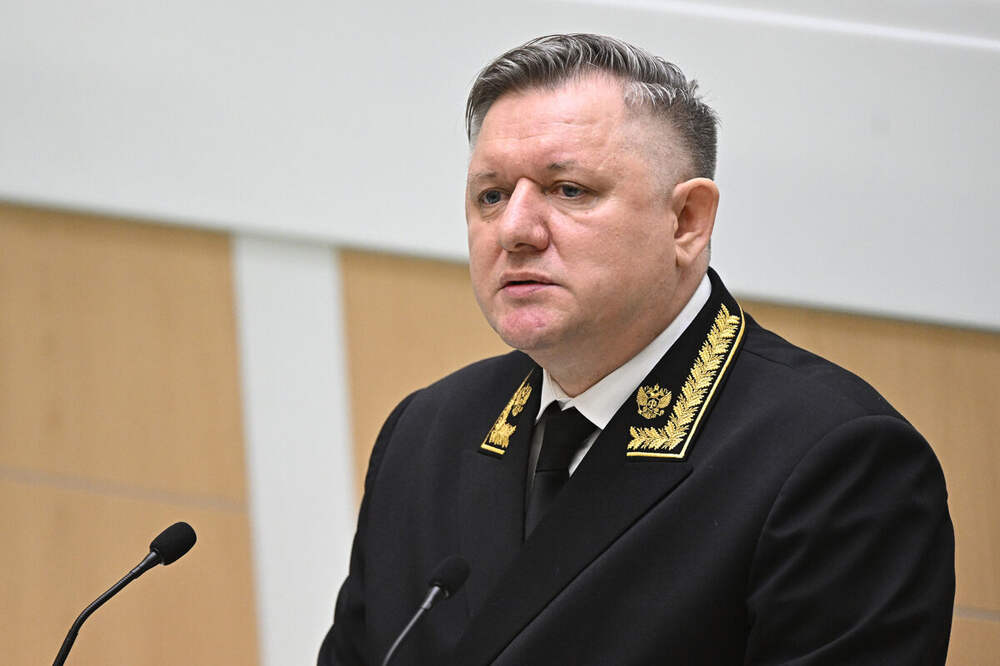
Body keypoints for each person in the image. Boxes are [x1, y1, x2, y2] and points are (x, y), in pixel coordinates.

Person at [319, 34, 954, 665]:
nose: (514, 230)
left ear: (687, 221)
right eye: (492, 195)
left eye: (568, 189)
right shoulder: (427, 432)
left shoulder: (837, 462)